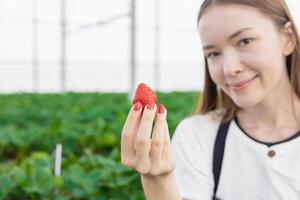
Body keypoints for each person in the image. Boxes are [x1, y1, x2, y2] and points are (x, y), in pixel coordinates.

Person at [121, 0, 300, 199]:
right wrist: (158, 182)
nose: (230, 69)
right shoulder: (198, 135)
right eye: (213, 54)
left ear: (288, 39)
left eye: (245, 41)